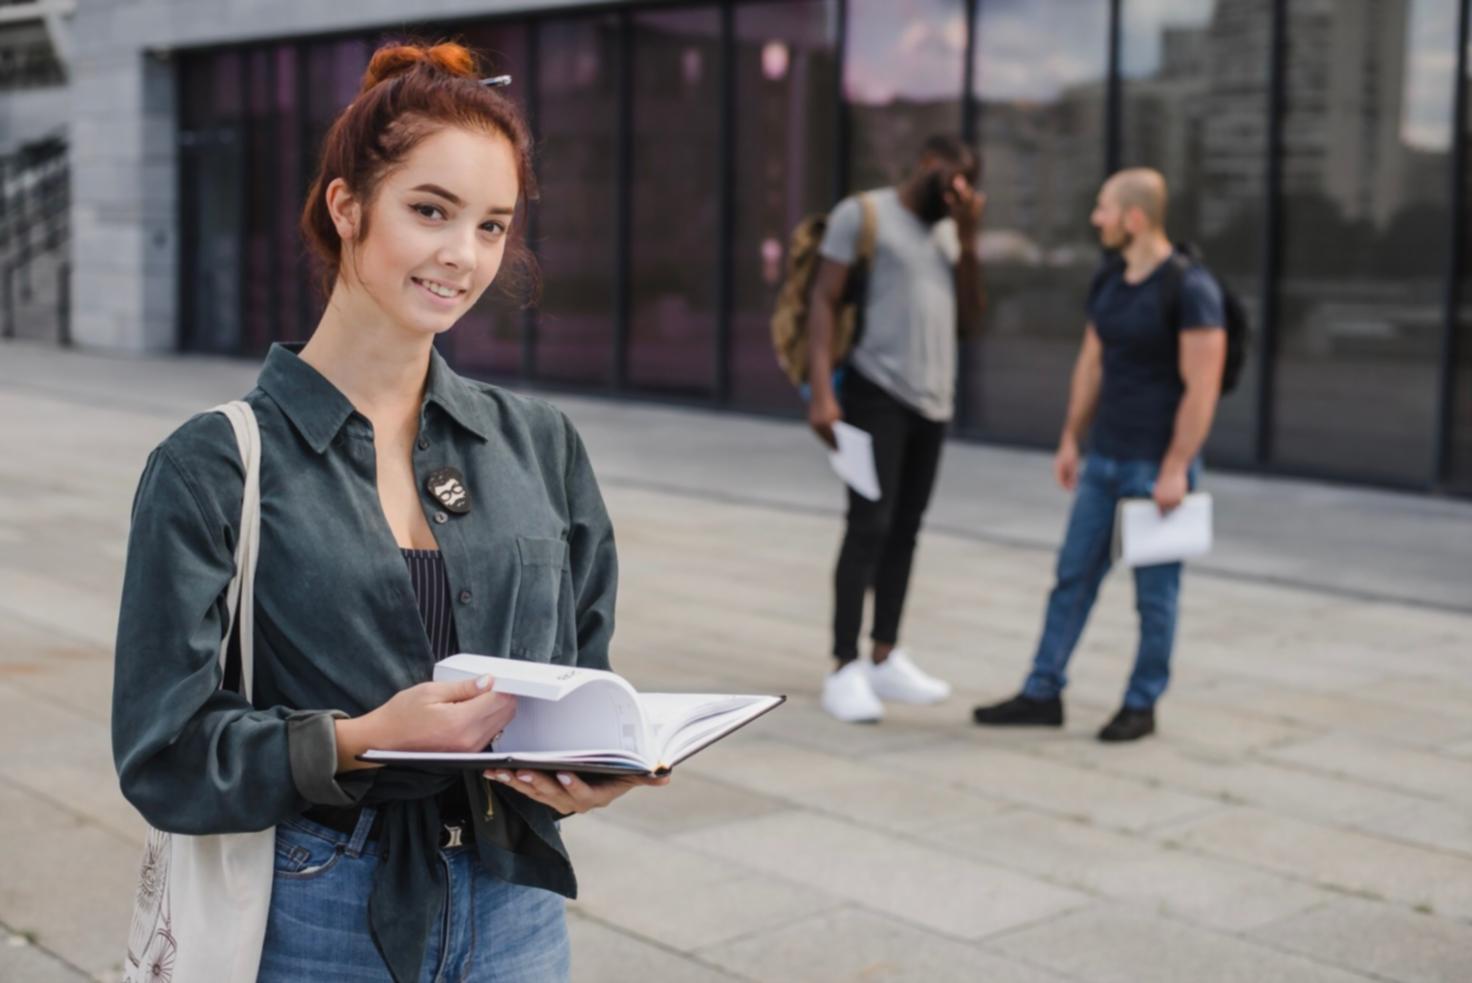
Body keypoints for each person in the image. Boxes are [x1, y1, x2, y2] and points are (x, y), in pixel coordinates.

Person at [112, 42, 665, 983]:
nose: (464, 255)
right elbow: (162, 751)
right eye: (430, 211)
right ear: (347, 206)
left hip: (515, 903)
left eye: (492, 225)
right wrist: (359, 738)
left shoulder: (539, 442)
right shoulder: (213, 463)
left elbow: (584, 673)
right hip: (315, 903)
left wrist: (598, 764)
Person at [972, 168, 1226, 743]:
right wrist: (1071, 437)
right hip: (1105, 459)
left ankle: (1141, 704)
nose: (1096, 219)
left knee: (1155, 597)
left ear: (1134, 217)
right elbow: (1092, 362)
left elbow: (1202, 388)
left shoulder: (1191, 288)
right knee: (1072, 578)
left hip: (1155, 468)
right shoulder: (1110, 278)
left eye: (1103, 209)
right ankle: (1042, 692)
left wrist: (1174, 467)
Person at [806, 135, 986, 724]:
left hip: (933, 402)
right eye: (956, 181)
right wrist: (824, 394)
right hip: (874, 390)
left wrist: (971, 235)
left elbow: (972, 318)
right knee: (868, 526)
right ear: (931, 166)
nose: (961, 194)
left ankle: (885, 654)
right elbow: (824, 301)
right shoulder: (865, 213)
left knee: (906, 529)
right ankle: (843, 665)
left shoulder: (950, 229)